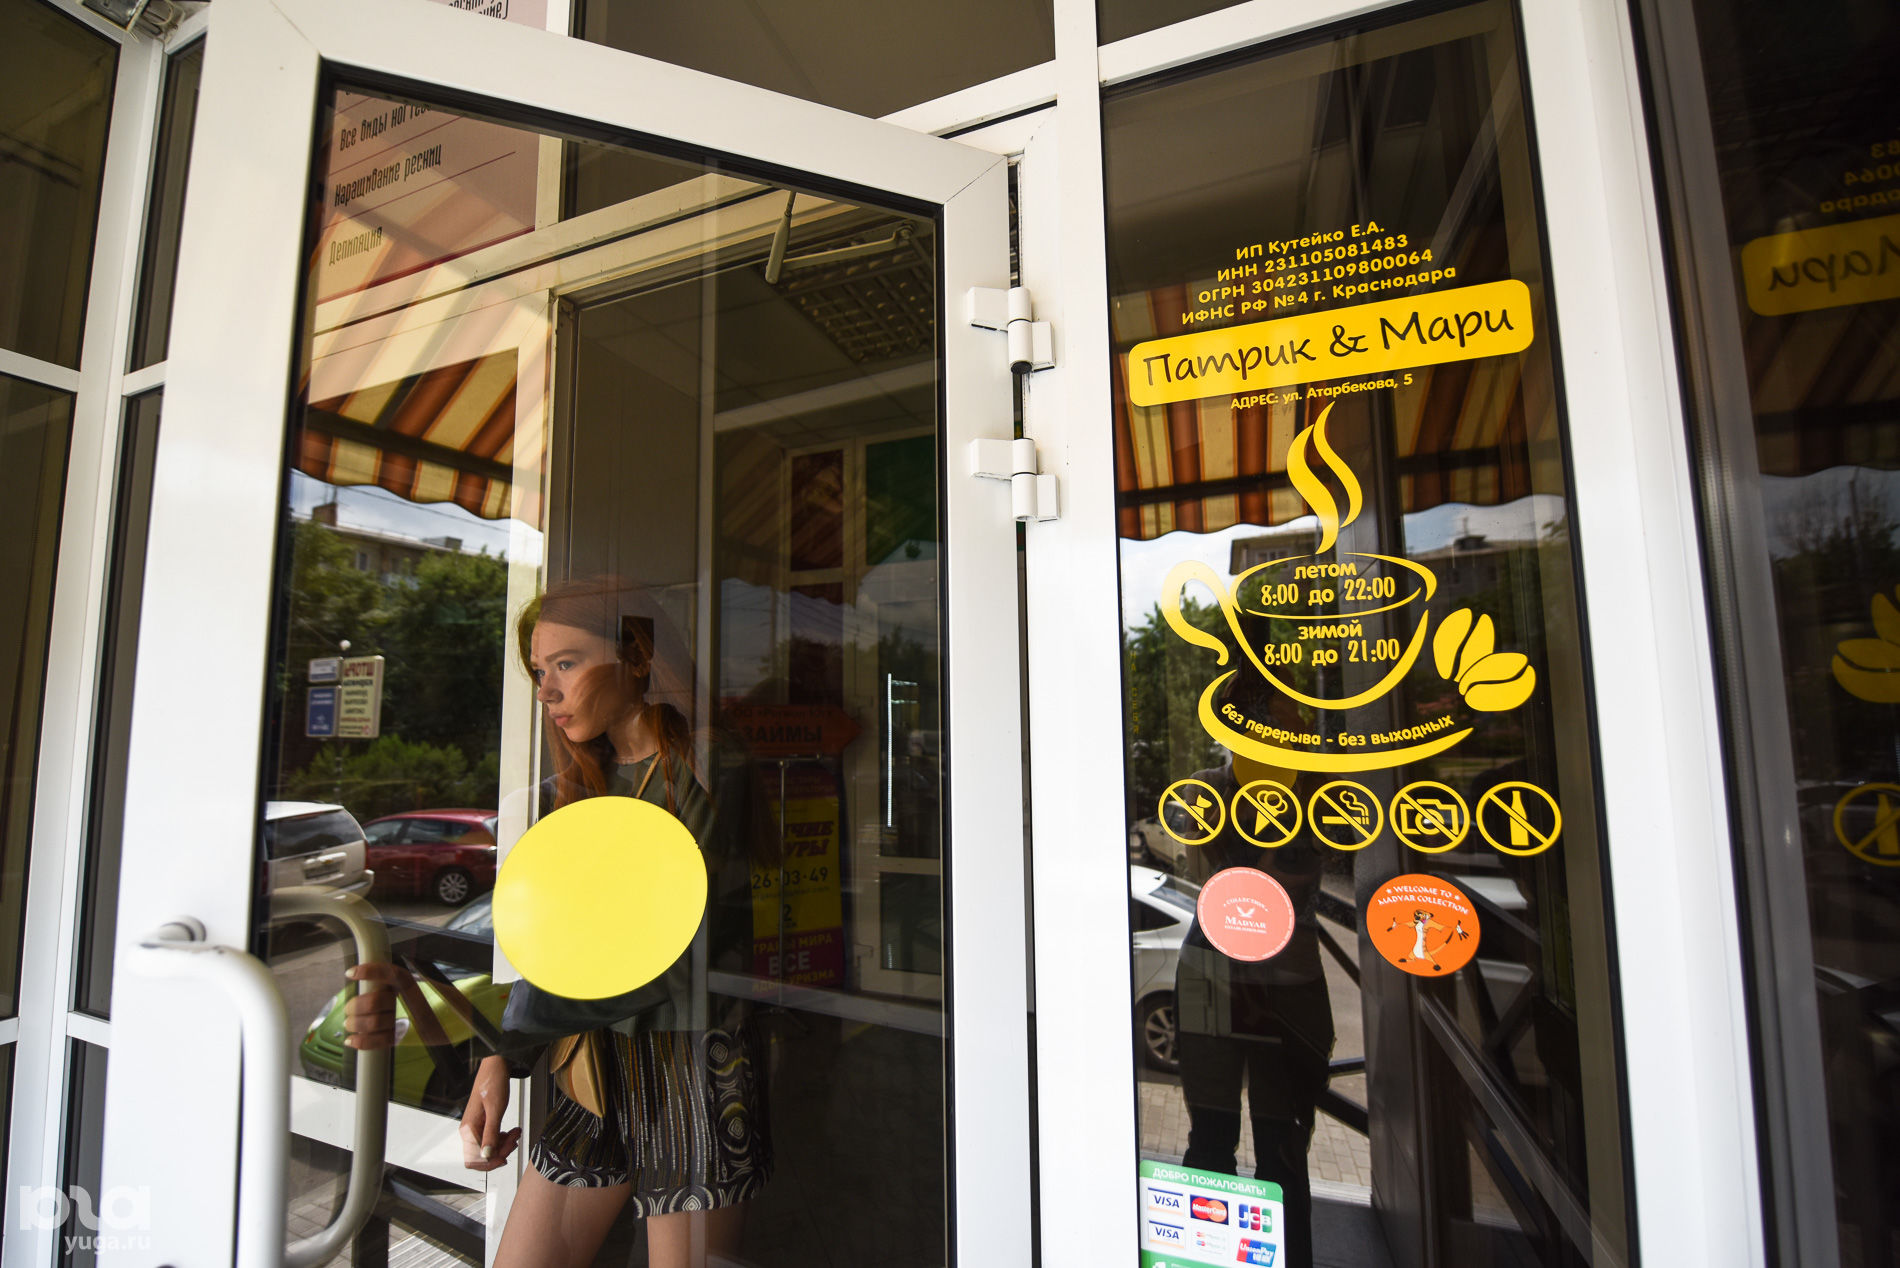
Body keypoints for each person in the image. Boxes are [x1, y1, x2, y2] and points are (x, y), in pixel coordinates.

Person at [364, 577, 771, 1268]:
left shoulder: (705, 766)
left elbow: (668, 948)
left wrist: (505, 1044)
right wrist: (499, 1057)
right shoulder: (582, 785)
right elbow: (564, 942)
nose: (547, 691)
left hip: (694, 1061)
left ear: (636, 656)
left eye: (567, 663)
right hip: (589, 1061)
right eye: (538, 671)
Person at [1164, 738, 1334, 1268]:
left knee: (1283, 1145)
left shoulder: (1314, 793)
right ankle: (1207, 1256)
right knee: (1211, 1137)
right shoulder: (1209, 788)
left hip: (1282, 978)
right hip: (1215, 970)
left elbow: (1293, 875)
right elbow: (1210, 869)